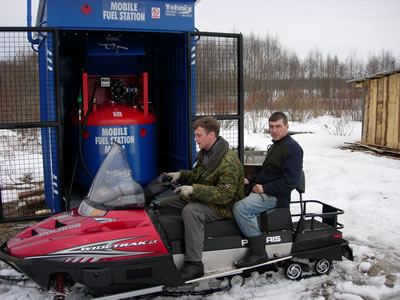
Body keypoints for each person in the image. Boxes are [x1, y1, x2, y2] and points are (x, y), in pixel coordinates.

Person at [162, 116, 245, 281]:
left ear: (211, 135)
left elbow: (225, 195)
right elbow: (198, 176)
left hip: (225, 206)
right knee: (165, 203)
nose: (195, 139)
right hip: (208, 199)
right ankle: (170, 248)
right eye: (195, 135)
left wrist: (193, 190)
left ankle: (194, 263)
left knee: (191, 211)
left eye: (199, 135)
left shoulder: (227, 161)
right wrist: (179, 175)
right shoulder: (207, 154)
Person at [233, 111, 303, 268]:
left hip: (277, 196)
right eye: (271, 126)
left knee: (241, 209)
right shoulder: (276, 146)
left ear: (287, 126)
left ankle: (258, 252)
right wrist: (249, 180)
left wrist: (264, 188)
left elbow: (290, 181)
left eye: (278, 126)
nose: (274, 130)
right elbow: (267, 173)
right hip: (267, 191)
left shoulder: (292, 149)